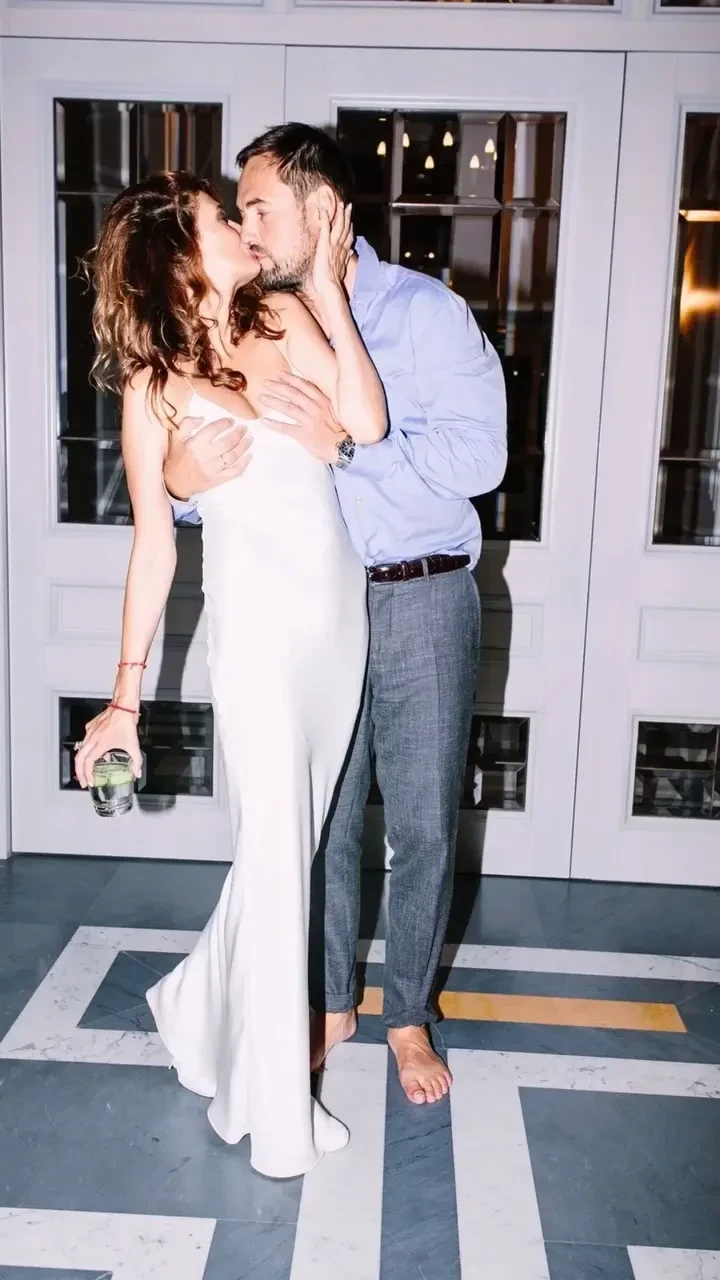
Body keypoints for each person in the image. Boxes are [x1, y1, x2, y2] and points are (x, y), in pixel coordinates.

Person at [165, 125, 508, 1108]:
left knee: (423, 823)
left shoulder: (425, 314)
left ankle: (408, 1014)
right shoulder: (254, 319)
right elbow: (212, 476)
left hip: (420, 592)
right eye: (239, 212)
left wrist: (351, 450)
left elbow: (480, 460)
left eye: (260, 209)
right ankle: (330, 1002)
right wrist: (181, 482)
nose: (246, 229)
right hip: (312, 612)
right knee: (322, 818)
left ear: (322, 210)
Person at [73, 170, 387, 1177]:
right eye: (224, 218)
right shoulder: (153, 389)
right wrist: (124, 698)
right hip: (253, 637)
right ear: (179, 254)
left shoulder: (286, 317)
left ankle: (196, 1008)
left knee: (282, 856)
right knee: (275, 850)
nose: (247, 226)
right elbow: (153, 548)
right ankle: (273, 1113)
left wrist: (329, 291)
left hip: (337, 624)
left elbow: (368, 423)